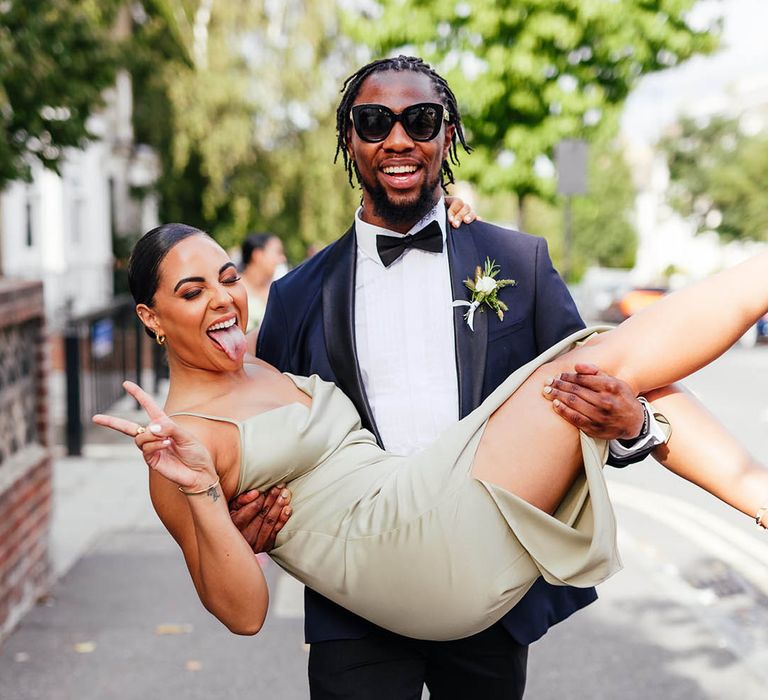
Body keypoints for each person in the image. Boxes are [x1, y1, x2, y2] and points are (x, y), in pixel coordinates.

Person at [95, 223, 768, 661]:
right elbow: (242, 613)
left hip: (415, 494)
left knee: (595, 364)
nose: (222, 299)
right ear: (151, 317)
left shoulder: (259, 363)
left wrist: (444, 218)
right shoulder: (180, 450)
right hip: (407, 547)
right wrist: (207, 495)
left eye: (227, 277)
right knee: (593, 364)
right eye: (191, 291)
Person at [229, 56, 668, 698]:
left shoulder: (517, 260)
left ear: (449, 133)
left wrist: (631, 428)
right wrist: (250, 514)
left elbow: (598, 387)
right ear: (349, 139)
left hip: (488, 583)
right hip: (356, 597)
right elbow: (269, 433)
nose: (398, 139)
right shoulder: (297, 296)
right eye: (375, 122)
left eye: (421, 119)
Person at [239, 232, 286, 340]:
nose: (282, 259)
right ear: (258, 255)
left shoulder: (277, 291)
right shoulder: (233, 288)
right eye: (278, 252)